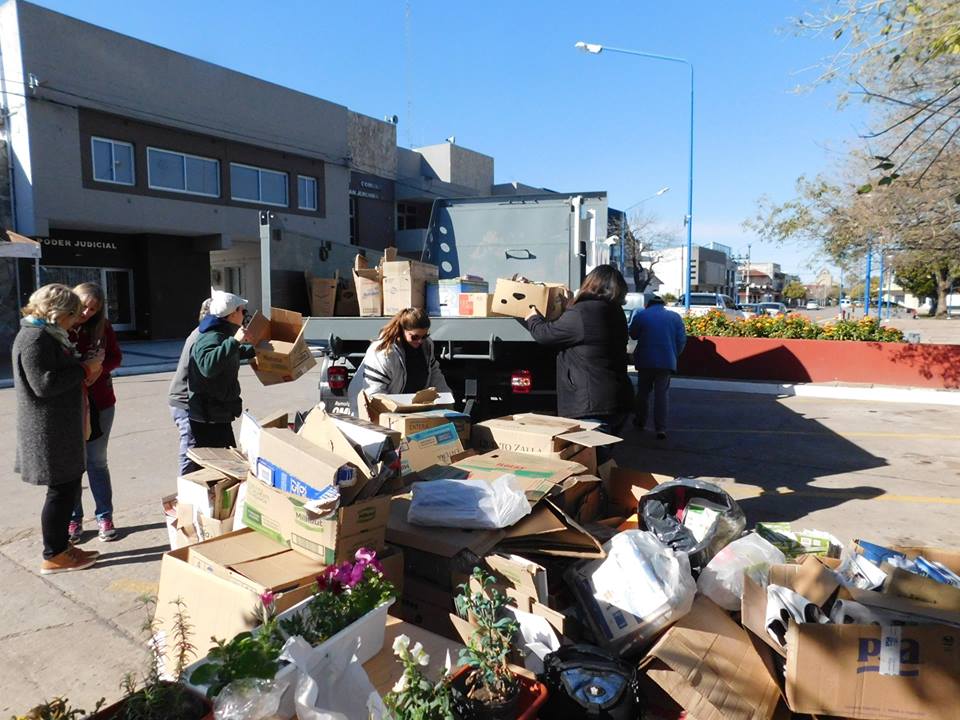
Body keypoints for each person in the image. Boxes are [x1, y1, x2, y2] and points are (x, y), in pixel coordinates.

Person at [13, 284, 104, 574]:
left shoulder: (47, 334)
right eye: (72, 314)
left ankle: (62, 547)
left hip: (59, 428)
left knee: (67, 488)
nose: (75, 321)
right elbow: (44, 384)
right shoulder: (35, 338)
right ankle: (53, 555)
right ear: (56, 312)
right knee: (60, 492)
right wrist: (84, 369)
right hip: (49, 431)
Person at [523, 265, 633, 461]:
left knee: (588, 466)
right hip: (617, 400)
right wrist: (569, 306)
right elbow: (586, 332)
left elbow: (545, 334)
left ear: (590, 284)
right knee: (601, 464)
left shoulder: (582, 312)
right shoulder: (614, 311)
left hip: (591, 405)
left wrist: (532, 318)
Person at [68, 282, 123, 543]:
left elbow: (115, 357)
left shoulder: (103, 327)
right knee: (73, 465)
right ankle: (73, 518)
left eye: (93, 309)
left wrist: (100, 368)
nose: (87, 313)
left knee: (97, 461)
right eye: (84, 306)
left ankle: (104, 516)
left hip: (101, 402)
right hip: (69, 405)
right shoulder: (61, 326)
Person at [347, 307, 450, 415]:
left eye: (424, 336)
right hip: (367, 403)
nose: (420, 341)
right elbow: (375, 393)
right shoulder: (384, 353)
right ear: (402, 330)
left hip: (406, 404)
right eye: (414, 337)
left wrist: (447, 401)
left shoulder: (427, 345)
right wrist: (392, 417)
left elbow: (435, 374)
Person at [187, 290, 255, 449]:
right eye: (242, 311)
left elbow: (229, 354)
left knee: (224, 459)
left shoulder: (222, 333)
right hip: (209, 417)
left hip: (217, 413)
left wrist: (257, 350)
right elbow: (208, 366)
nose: (245, 315)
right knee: (222, 461)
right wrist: (235, 341)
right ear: (232, 314)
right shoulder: (212, 336)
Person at [628, 294, 687, 440]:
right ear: (663, 304)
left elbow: (633, 335)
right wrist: (674, 354)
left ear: (648, 305)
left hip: (645, 360)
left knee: (643, 393)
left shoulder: (641, 315)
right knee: (662, 395)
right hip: (666, 361)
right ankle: (661, 428)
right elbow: (681, 340)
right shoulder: (674, 317)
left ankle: (640, 421)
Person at [168, 298, 211, 475]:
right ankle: (184, 482)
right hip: (184, 400)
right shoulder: (202, 336)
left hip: (190, 399)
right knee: (190, 445)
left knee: (197, 444)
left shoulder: (202, 332)